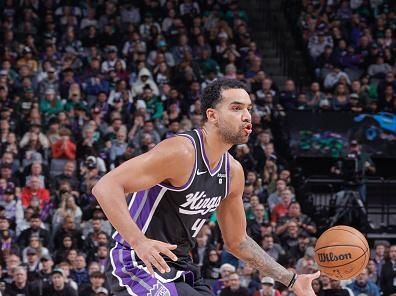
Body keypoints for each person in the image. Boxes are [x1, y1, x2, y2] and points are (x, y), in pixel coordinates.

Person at [93, 79, 319, 296]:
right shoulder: (181, 152)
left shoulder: (233, 172)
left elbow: (237, 241)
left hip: (181, 266)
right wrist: (138, 241)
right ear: (212, 115)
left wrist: (291, 279)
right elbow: (106, 186)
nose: (247, 116)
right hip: (137, 262)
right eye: (236, 108)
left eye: (249, 108)